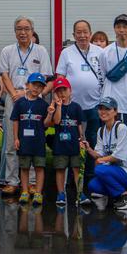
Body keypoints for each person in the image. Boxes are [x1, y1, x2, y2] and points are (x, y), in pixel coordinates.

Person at [0, 16, 53, 195]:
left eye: (26, 29)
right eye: (19, 29)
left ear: (32, 31)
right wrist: (14, 94)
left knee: (33, 141)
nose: (23, 32)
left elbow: (44, 76)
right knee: (13, 142)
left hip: (35, 99)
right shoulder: (7, 50)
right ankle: (12, 181)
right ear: (15, 32)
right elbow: (4, 74)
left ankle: (32, 183)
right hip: (13, 99)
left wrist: (28, 92)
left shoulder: (41, 51)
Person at [55, 19, 103, 202]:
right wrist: (59, 99)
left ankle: (89, 179)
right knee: (71, 143)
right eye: (78, 32)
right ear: (73, 35)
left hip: (94, 107)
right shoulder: (67, 53)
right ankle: (68, 183)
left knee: (90, 143)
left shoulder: (100, 52)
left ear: (90, 33)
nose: (82, 35)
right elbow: (60, 77)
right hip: (72, 108)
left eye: (85, 32)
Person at [82, 96, 127, 211]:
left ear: (115, 111)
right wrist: (88, 149)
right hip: (115, 172)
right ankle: (122, 192)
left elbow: (119, 156)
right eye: (100, 108)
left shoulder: (121, 128)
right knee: (93, 185)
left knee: (99, 169)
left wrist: (102, 160)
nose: (103, 111)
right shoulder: (101, 130)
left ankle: (125, 197)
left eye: (107, 109)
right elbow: (99, 155)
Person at [10, 73, 50, 205]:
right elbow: (15, 121)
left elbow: (46, 125)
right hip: (24, 141)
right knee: (24, 167)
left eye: (40, 86)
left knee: (39, 167)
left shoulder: (43, 105)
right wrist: (16, 138)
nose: (36, 89)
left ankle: (38, 192)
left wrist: (50, 114)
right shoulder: (20, 103)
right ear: (27, 85)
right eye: (34, 85)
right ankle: (25, 191)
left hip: (38, 142)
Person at [45, 76, 84, 206]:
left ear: (70, 90)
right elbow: (56, 121)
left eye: (64, 90)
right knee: (60, 169)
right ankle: (61, 193)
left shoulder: (76, 107)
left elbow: (79, 125)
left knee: (76, 169)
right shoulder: (54, 107)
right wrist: (59, 106)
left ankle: (80, 193)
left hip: (74, 145)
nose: (62, 93)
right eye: (58, 91)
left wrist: (82, 139)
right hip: (60, 145)